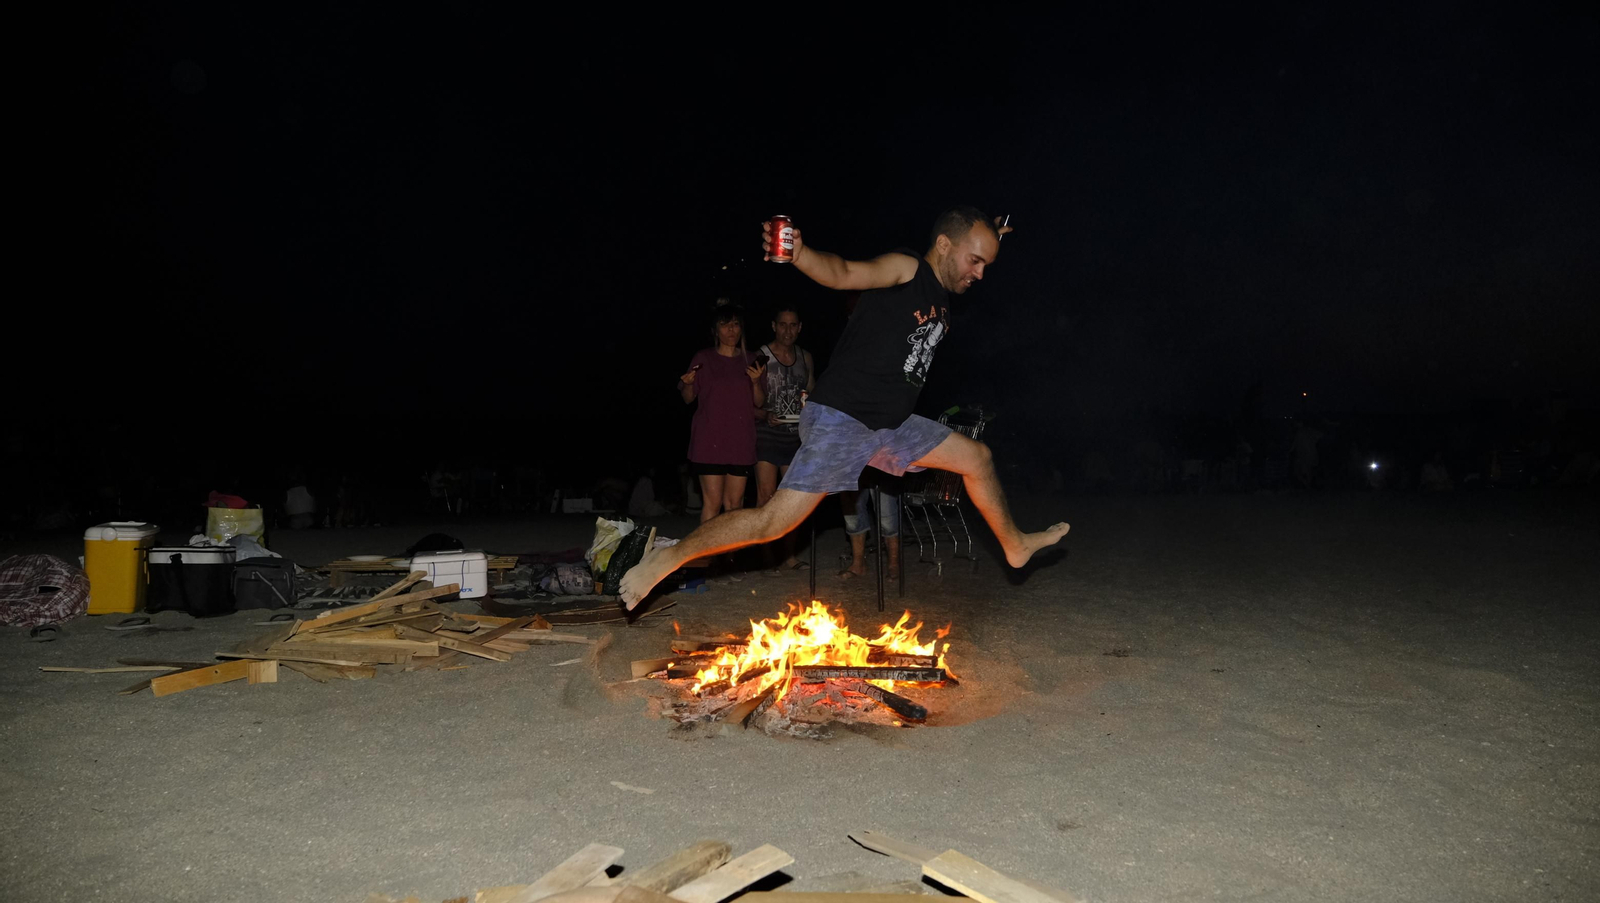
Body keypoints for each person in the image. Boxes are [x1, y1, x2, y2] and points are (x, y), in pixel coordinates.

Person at [619, 207, 1070, 608]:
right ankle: (667, 559)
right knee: (773, 523)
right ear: (944, 244)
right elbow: (842, 272)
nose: (980, 273)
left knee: (977, 457)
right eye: (976, 261)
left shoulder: (942, 290)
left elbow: (970, 233)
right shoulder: (908, 268)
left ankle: (1013, 545)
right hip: (843, 417)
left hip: (889, 424)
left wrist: (991, 232)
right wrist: (799, 253)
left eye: (987, 264)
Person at [680, 302, 767, 525]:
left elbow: (759, 402)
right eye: (725, 325)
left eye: (736, 324)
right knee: (712, 503)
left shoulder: (751, 358)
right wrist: (688, 384)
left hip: (740, 441)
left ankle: (731, 558)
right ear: (715, 330)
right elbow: (688, 397)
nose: (731, 330)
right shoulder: (703, 358)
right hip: (709, 441)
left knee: (735, 504)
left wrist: (756, 382)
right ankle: (708, 558)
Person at [753, 305, 815, 574]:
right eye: (783, 325)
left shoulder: (806, 357)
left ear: (800, 328)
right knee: (766, 497)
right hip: (766, 434)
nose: (788, 330)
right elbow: (747, 402)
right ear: (774, 326)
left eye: (793, 325)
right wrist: (765, 415)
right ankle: (765, 557)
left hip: (794, 437)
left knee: (791, 500)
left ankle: (789, 556)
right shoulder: (760, 355)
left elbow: (812, 394)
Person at [838, 470, 901, 580]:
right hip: (851, 462)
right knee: (852, 515)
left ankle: (894, 564)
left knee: (886, 513)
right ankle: (858, 564)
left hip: (883, 461)